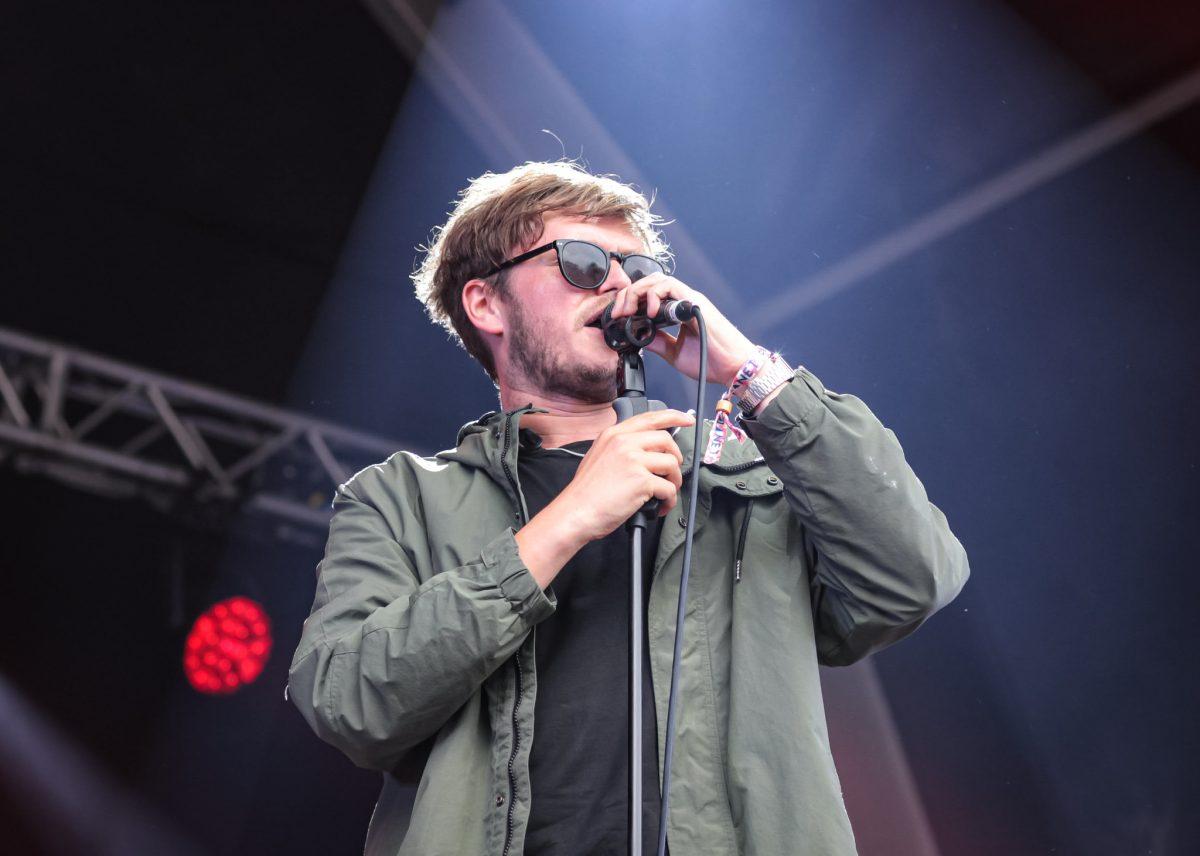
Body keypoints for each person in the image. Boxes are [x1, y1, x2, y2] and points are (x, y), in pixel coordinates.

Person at [288, 161, 969, 856]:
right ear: (486, 303)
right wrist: (565, 522)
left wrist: (748, 373)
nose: (621, 284)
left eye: (636, 267)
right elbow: (348, 701)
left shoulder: (743, 474)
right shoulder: (399, 499)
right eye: (582, 262)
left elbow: (912, 578)